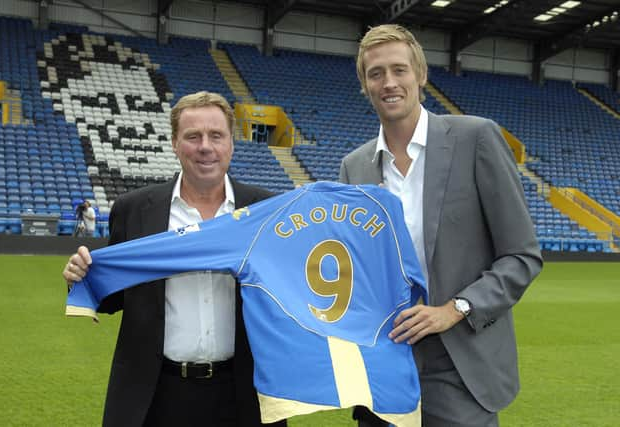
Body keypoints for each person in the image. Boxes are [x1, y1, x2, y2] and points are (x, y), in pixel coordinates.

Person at [339, 24, 543, 427]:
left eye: (400, 70)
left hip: (459, 363)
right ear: (364, 84)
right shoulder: (354, 166)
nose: (389, 82)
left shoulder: (476, 138)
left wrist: (455, 309)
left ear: (421, 75)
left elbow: (521, 256)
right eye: (376, 73)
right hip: (384, 366)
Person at [62, 91, 285, 427]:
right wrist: (82, 278)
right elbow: (115, 296)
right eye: (193, 136)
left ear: (231, 144)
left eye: (216, 136)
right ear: (175, 143)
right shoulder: (134, 209)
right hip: (156, 394)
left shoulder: (267, 210)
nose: (205, 146)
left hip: (243, 395)